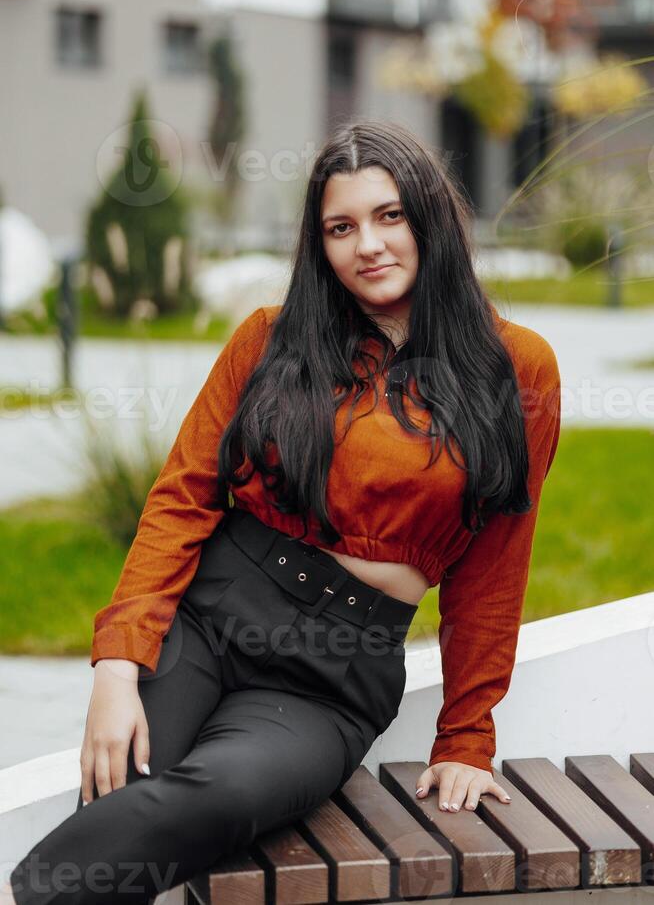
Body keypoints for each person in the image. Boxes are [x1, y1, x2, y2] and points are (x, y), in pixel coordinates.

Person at [6, 119, 561, 904]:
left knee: (217, 795)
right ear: (320, 243)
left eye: (389, 215)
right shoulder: (269, 340)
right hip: (211, 615)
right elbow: (183, 497)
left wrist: (467, 737)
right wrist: (117, 666)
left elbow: (499, 559)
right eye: (341, 227)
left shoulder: (518, 368)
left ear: (432, 219)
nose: (367, 244)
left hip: (332, 676)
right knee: (121, 783)